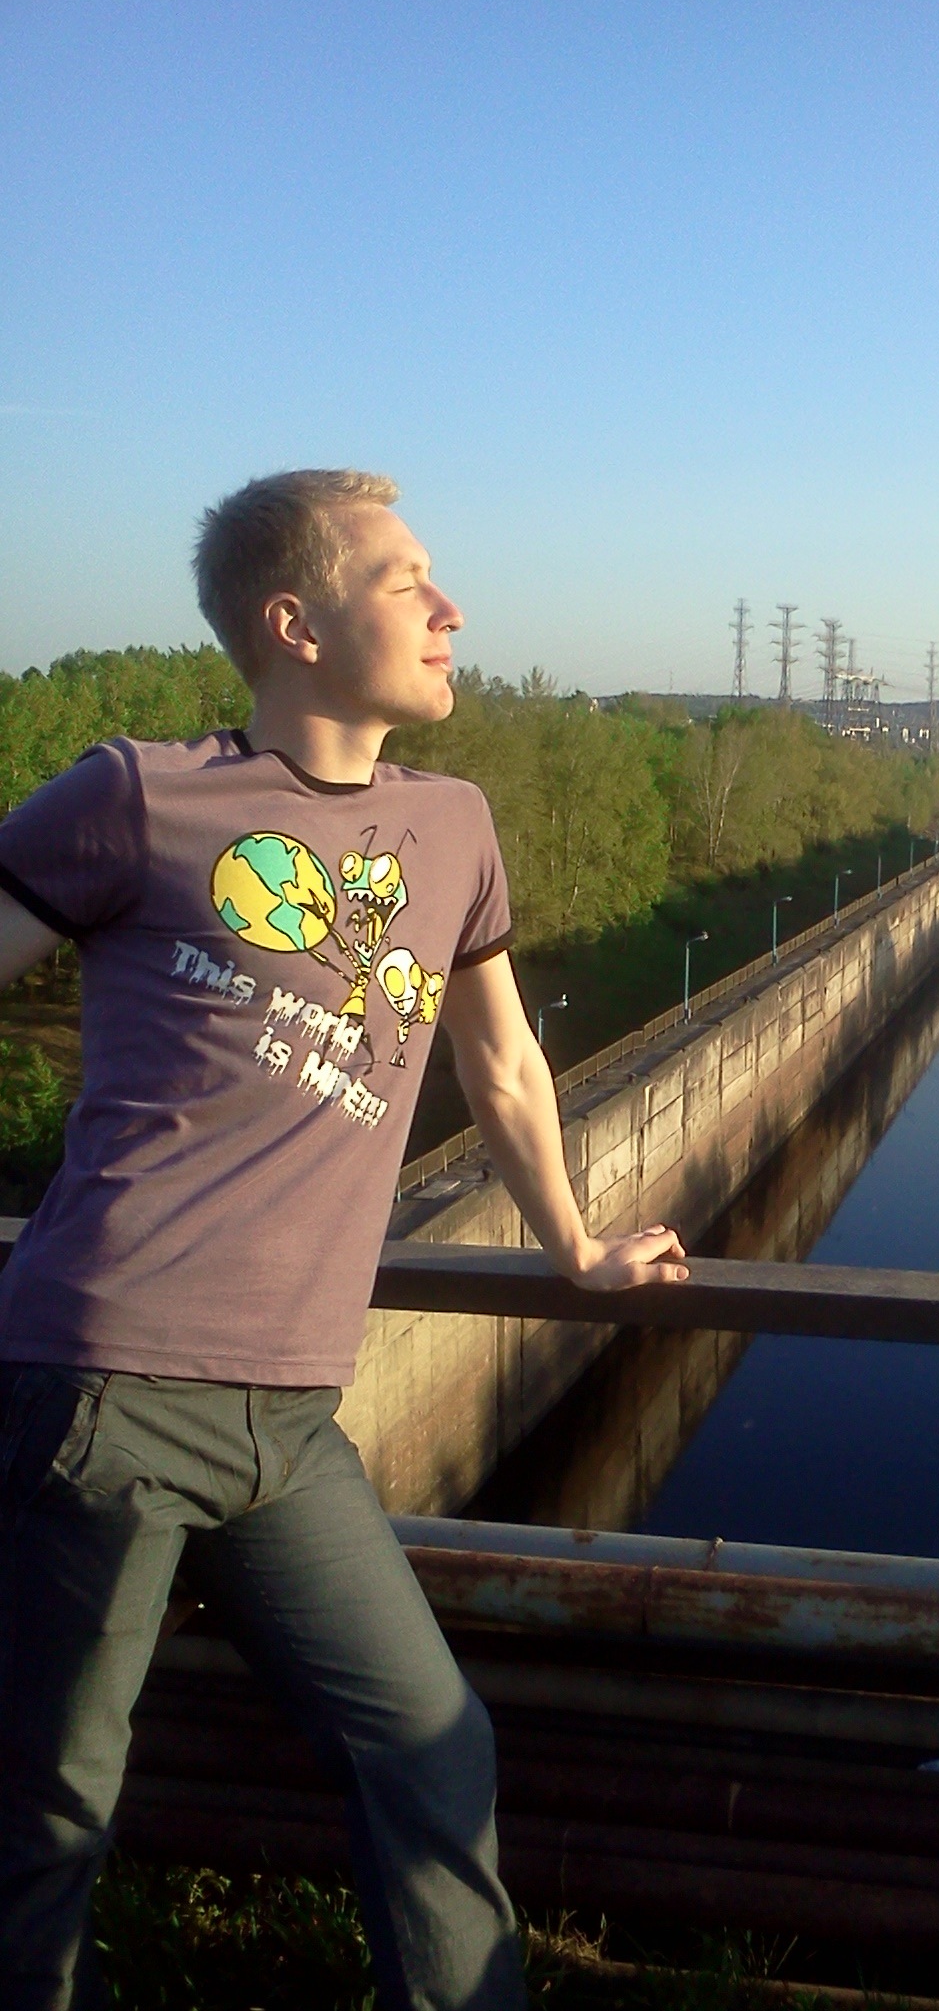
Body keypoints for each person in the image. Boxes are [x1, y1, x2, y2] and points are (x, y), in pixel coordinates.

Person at [0, 469, 688, 2011]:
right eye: (407, 583)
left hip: (294, 1422)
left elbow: (502, 1066)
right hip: (103, 1396)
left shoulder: (452, 826)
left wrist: (573, 1248)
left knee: (430, 1750)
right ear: (295, 624)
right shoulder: (139, 796)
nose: (453, 612)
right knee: (48, 1815)